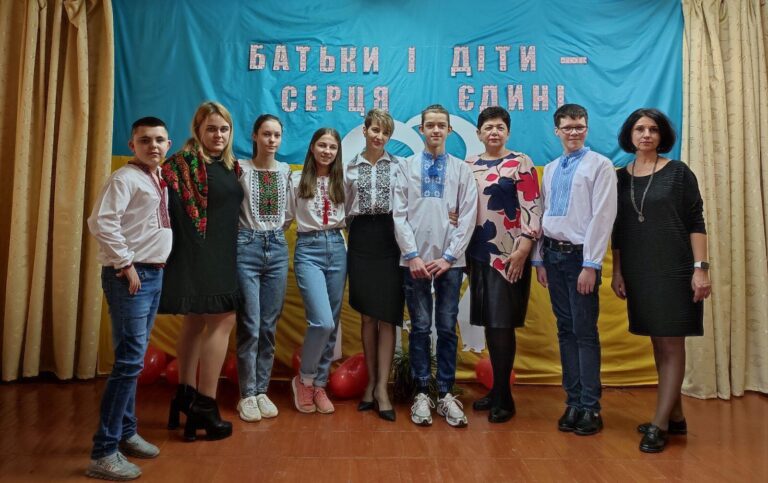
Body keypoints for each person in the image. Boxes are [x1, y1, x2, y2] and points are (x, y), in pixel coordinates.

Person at [611, 108, 710, 453]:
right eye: (640, 129)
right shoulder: (619, 178)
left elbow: (696, 221)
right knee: (658, 343)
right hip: (639, 269)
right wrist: (618, 271)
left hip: (675, 268)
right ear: (630, 135)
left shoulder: (678, 172)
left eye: (653, 129)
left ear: (661, 135)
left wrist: (701, 268)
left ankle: (659, 424)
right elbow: (618, 230)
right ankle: (676, 416)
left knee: (670, 344)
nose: (646, 135)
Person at [86, 117, 172, 480]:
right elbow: (101, 222)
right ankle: (104, 452)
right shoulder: (124, 178)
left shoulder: (157, 177)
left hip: (152, 273)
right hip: (130, 277)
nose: (153, 145)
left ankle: (126, 432)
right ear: (131, 144)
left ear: (168, 144)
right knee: (128, 363)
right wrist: (125, 263)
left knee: (132, 359)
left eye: (159, 140)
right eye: (145, 140)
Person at [531, 103, 617, 436]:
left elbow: (602, 216)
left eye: (579, 127)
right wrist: (539, 258)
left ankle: (591, 406)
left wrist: (591, 264)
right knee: (565, 330)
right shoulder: (552, 169)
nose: (574, 133)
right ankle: (573, 401)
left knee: (584, 331)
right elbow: (543, 214)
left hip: (581, 258)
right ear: (557, 131)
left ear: (587, 128)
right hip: (553, 256)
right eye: (567, 127)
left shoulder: (600, 165)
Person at [161, 101, 243, 441]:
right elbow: (168, 209)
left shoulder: (229, 165)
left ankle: (185, 394)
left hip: (221, 252)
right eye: (211, 129)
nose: (218, 135)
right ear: (197, 130)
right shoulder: (182, 164)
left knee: (195, 321)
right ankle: (206, 405)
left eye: (224, 129)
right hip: (199, 252)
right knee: (223, 320)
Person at [393, 104, 478, 428]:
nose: (436, 130)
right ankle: (421, 393)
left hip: (450, 263)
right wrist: (412, 255)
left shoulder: (461, 170)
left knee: (445, 327)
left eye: (441, 125)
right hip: (413, 261)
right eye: (430, 125)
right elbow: (399, 214)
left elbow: (467, 215)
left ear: (450, 130)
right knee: (419, 328)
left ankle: (445, 393)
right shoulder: (406, 167)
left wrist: (449, 257)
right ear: (421, 129)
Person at [466, 106, 543, 423]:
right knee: (489, 322)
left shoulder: (521, 162)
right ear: (479, 133)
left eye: (499, 127)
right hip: (477, 252)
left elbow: (533, 207)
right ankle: (497, 389)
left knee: (502, 323)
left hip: (509, 254)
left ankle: (504, 397)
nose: (494, 132)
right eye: (488, 127)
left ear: (508, 132)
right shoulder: (469, 164)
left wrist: (524, 248)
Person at [344, 109, 403, 421]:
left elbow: (409, 204)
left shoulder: (399, 166)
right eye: (375, 130)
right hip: (361, 239)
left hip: (390, 239)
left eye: (385, 132)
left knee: (388, 317)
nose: (379, 136)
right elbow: (343, 207)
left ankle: (382, 388)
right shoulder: (350, 167)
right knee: (368, 315)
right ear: (364, 130)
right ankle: (369, 382)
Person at [234, 114, 292, 422]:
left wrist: (274, 233)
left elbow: (289, 214)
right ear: (255, 136)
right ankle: (246, 393)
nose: (271, 140)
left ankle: (261, 391)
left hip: (277, 247)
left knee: (269, 324)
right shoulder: (240, 168)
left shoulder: (285, 171)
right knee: (250, 322)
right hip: (247, 246)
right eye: (266, 134)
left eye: (276, 135)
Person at [287, 128, 347, 415]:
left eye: (332, 147)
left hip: (337, 246)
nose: (327, 151)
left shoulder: (343, 181)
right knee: (321, 322)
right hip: (308, 248)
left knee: (332, 323)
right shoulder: (296, 179)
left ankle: (319, 384)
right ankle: (304, 379)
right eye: (322, 145)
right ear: (312, 147)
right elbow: (284, 217)